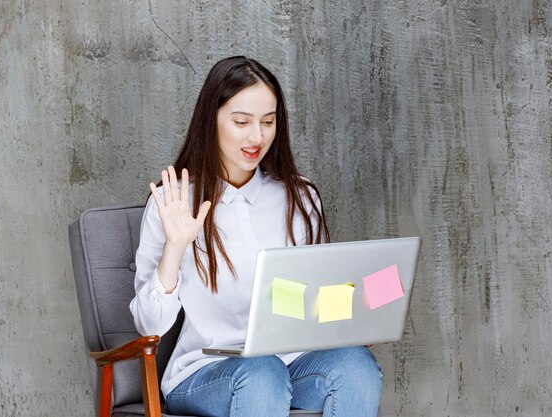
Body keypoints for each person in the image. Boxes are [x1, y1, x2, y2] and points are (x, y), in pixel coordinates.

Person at [130, 56, 382, 417]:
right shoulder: (174, 203)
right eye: (241, 122)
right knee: (262, 373)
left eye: (268, 121)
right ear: (211, 122)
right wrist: (175, 245)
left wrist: (352, 320)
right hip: (207, 372)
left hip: (294, 363)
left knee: (355, 365)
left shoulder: (300, 196)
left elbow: (316, 294)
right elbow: (148, 326)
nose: (257, 137)